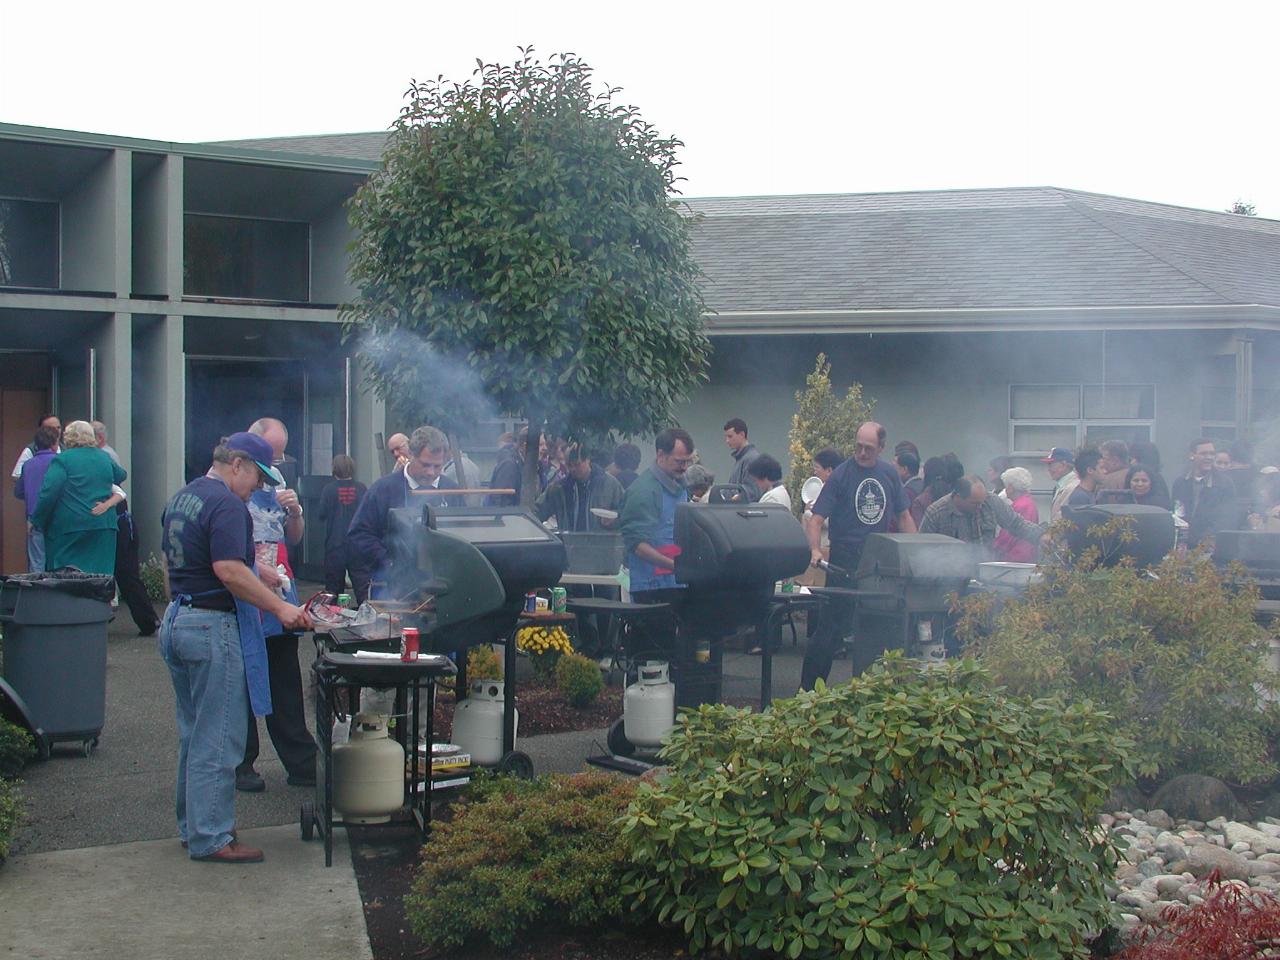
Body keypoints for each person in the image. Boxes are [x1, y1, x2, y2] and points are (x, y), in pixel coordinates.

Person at [159, 432, 313, 863]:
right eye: (257, 478)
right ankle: (212, 837)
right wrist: (282, 609)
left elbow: (190, 562)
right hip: (211, 625)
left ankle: (193, 828)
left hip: (178, 618)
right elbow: (227, 569)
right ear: (239, 464)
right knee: (219, 737)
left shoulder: (185, 496)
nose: (259, 489)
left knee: (194, 733)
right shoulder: (227, 503)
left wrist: (261, 573)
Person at [801, 422, 915, 690]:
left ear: (882, 448)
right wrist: (815, 550)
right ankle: (807, 691)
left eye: (869, 448)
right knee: (830, 629)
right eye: (858, 447)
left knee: (878, 626)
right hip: (844, 558)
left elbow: (904, 516)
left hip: (878, 559)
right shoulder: (841, 475)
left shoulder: (888, 474)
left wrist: (913, 552)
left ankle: (874, 690)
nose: (862, 453)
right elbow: (815, 520)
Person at [236, 417, 314, 794]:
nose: (277, 463)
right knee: (239, 684)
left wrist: (296, 513)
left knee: (285, 679)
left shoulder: (279, 481)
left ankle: (301, 761)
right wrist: (255, 570)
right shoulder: (228, 483)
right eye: (272, 454)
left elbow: (294, 539)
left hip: (282, 593)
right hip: (243, 595)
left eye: (281, 454)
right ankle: (241, 762)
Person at [347, 425, 459, 600]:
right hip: (391, 587)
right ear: (410, 456)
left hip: (444, 586)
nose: (431, 473)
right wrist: (389, 563)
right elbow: (359, 534)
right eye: (425, 465)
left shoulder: (451, 491)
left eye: (437, 466)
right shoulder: (383, 489)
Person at [31, 421, 126, 575]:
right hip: (103, 526)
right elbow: (121, 475)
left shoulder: (62, 460)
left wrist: (37, 521)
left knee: (67, 577)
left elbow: (49, 492)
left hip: (70, 528)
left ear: (68, 438)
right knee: (100, 577)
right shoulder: (104, 457)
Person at [619, 428, 694, 601]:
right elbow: (638, 546)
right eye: (679, 462)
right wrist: (677, 567)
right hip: (651, 589)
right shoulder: (644, 491)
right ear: (661, 455)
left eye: (687, 462)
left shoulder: (679, 486)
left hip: (677, 584)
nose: (684, 468)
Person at [919, 474, 1043, 558]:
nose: (980, 507)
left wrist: (1041, 536)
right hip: (948, 580)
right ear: (958, 497)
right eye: (974, 504)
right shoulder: (936, 512)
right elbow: (922, 551)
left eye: (982, 503)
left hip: (985, 575)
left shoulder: (990, 501)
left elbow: (1016, 523)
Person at [534, 445, 624, 532]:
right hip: (569, 543)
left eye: (577, 464)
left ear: (588, 460)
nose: (572, 469)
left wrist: (614, 521)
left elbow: (626, 513)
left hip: (600, 544)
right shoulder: (558, 488)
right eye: (569, 465)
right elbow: (537, 512)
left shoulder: (610, 485)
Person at [1171, 438, 1238, 549]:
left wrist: (1205, 542)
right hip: (1183, 546)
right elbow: (1177, 513)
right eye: (1204, 454)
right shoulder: (1180, 483)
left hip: (1212, 547)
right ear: (1192, 455)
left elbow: (1227, 519)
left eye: (1212, 454)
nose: (1209, 457)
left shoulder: (1225, 484)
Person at [318, 454, 366, 596]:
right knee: (362, 584)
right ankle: (367, 613)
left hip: (335, 542)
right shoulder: (361, 488)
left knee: (333, 587)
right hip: (358, 542)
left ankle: (333, 614)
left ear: (334, 469)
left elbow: (321, 514)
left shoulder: (329, 489)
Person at [14, 425, 59, 571]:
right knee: (57, 562)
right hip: (56, 518)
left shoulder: (28, 465)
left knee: (36, 564)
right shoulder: (60, 462)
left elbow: (18, 492)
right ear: (54, 443)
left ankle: (37, 592)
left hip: (33, 520)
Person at [486, 427, 546, 506]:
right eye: (541, 445)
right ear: (525, 446)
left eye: (545, 444)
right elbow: (501, 502)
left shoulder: (539, 468)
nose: (545, 448)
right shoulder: (509, 466)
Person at [992, 467, 1039, 563]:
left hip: (1016, 557)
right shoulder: (1028, 502)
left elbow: (1008, 535)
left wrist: (994, 548)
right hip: (1024, 554)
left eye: (1006, 487)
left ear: (1011, 488)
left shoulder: (1020, 505)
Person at [910, 454, 962, 528]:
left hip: (929, 538)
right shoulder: (956, 496)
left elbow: (920, 530)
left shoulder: (920, 501)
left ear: (925, 474)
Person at [10, 413, 61, 486]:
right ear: (41, 430)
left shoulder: (66, 449)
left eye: (58, 428)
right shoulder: (31, 449)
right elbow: (16, 476)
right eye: (51, 428)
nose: (56, 431)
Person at [724, 418, 762, 501]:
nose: (727, 441)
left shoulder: (751, 459)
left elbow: (751, 492)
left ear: (742, 434)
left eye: (730, 436)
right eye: (726, 437)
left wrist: (733, 499)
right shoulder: (742, 458)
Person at [1042, 447, 1080, 523]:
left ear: (1063, 465)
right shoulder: (1061, 486)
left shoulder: (1074, 486)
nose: (1048, 469)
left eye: (1051, 464)